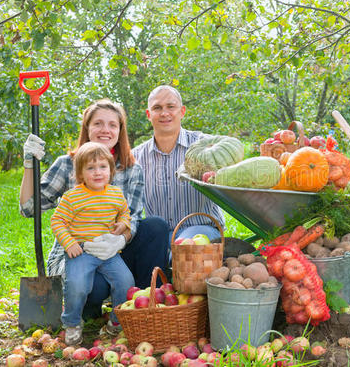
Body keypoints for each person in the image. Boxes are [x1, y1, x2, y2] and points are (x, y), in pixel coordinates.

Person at [19, 99, 169, 323]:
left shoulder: (132, 169)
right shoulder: (67, 164)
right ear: (87, 128)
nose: (105, 130)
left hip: (115, 251)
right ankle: (89, 304)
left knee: (156, 226)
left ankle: (142, 306)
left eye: (112, 125)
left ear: (120, 131)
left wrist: (120, 239)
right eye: (98, 123)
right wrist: (29, 165)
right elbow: (28, 208)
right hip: (77, 252)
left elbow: (134, 218)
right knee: (92, 286)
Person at [50, 142, 132, 345]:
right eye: (90, 168)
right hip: (83, 250)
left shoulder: (115, 194)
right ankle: (72, 322)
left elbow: (124, 213)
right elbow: (57, 221)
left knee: (126, 281)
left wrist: (122, 225)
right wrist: (69, 243)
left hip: (108, 251)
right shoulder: (72, 197)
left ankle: (117, 321)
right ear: (80, 174)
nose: (97, 172)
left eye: (103, 167)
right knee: (77, 284)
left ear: (111, 171)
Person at [132, 85, 224, 245]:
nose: (164, 113)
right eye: (157, 108)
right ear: (149, 114)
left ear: (182, 111)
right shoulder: (135, 158)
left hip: (201, 228)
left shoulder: (206, 146)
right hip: (159, 235)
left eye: (171, 107)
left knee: (183, 247)